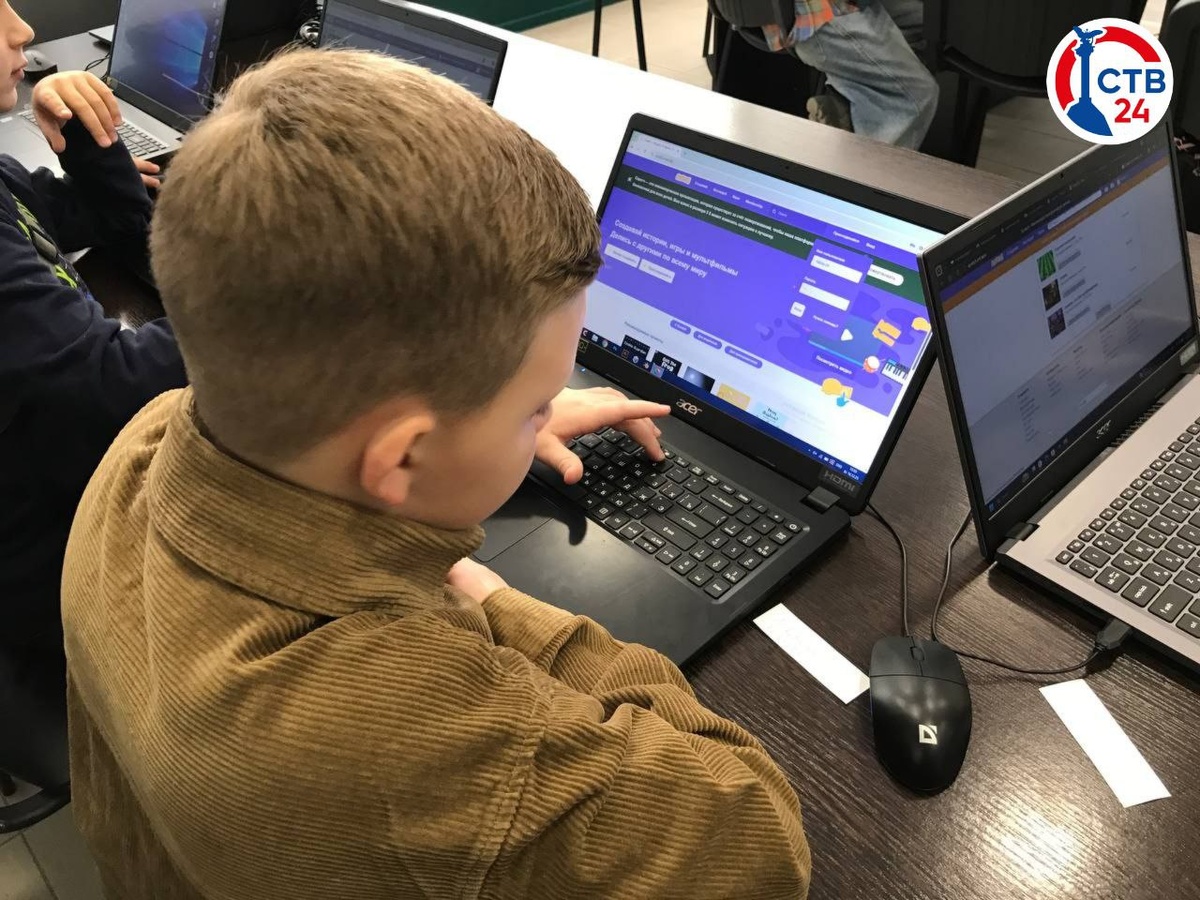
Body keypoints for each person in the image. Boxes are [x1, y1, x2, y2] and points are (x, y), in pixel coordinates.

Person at [61, 49, 812, 899]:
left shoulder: (140, 445)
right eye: (536, 406)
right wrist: (496, 599)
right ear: (402, 458)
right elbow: (761, 841)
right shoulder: (427, 745)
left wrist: (486, 423)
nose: (547, 415)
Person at [0, 0, 184, 793]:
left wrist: (86, 132)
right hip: (52, 562)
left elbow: (113, 221)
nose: (24, 31)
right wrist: (273, 297)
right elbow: (111, 390)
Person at [715, 0, 938, 149]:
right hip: (813, 13)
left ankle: (850, 103)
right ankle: (862, 192)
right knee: (915, 95)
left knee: (934, 23)